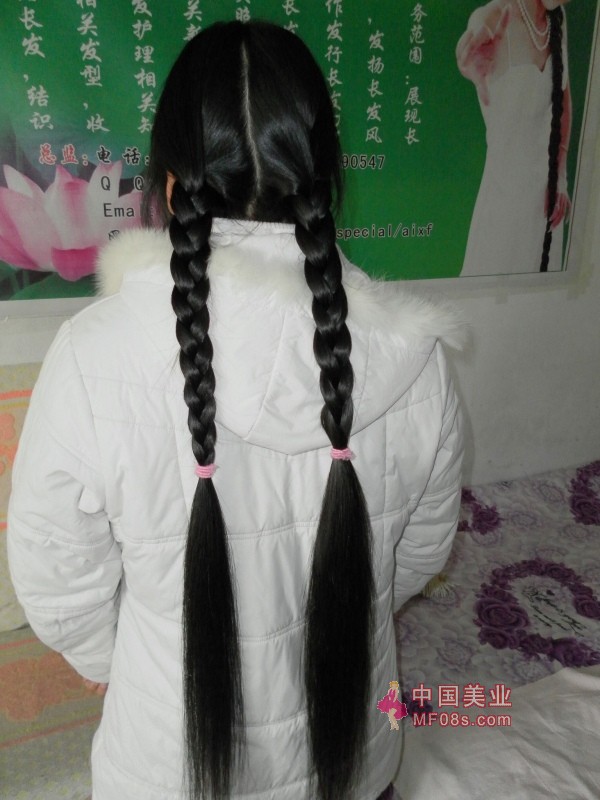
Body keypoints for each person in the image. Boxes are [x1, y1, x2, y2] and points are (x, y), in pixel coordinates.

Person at [8, 21, 464, 800]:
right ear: (324, 180)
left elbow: (55, 576)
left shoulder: (93, 355)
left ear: (171, 186)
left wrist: (118, 659)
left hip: (167, 768)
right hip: (353, 757)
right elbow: (418, 554)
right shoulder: (416, 357)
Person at [457, 0, 572, 275]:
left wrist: (560, 178)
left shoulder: (557, 19)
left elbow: (564, 103)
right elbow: (471, 45)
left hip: (546, 200)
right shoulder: (494, 16)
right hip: (504, 201)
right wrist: (468, 61)